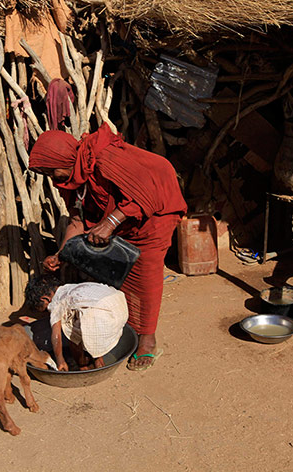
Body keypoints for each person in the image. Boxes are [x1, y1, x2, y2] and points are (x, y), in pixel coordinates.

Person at [28, 123, 187, 371]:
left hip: (156, 212)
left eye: (53, 171)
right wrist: (61, 253)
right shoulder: (71, 179)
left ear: (65, 158)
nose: (53, 178)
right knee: (121, 281)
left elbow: (147, 190)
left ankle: (147, 339)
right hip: (126, 220)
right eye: (48, 174)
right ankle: (127, 331)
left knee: (145, 275)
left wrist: (109, 222)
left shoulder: (103, 158)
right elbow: (77, 221)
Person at [25, 275, 129, 371]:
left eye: (44, 310)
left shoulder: (56, 302)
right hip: (119, 306)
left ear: (45, 299)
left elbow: (56, 335)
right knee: (81, 318)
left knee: (71, 333)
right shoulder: (71, 288)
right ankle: (98, 360)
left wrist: (60, 360)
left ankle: (82, 366)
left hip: (98, 316)